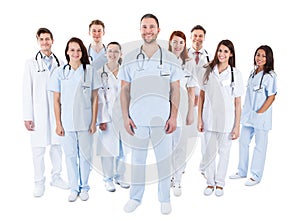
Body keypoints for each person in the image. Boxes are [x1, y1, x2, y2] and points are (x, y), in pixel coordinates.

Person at [119, 13, 184, 215]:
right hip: (137, 120)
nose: (148, 31)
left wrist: (173, 117)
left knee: (163, 162)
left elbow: (176, 90)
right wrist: (125, 118)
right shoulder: (130, 58)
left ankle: (164, 199)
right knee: (138, 162)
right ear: (140, 30)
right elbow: (124, 91)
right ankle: (135, 198)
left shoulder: (170, 58)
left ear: (158, 30)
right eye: (145, 27)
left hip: (162, 120)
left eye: (152, 27)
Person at [48, 37, 100, 202]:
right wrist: (58, 123)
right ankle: (73, 188)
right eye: (72, 50)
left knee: (85, 157)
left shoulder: (90, 71)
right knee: (70, 156)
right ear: (67, 52)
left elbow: (95, 98)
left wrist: (93, 122)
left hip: (85, 123)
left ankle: (84, 187)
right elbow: (56, 100)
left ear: (82, 52)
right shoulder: (59, 72)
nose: (75, 53)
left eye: (78, 50)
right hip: (67, 123)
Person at [22, 27, 69, 197]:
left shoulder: (62, 63)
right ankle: (38, 182)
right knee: (38, 149)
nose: (44, 42)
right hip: (39, 113)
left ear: (52, 41)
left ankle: (56, 177)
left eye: (47, 39)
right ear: (38, 41)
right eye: (41, 39)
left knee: (57, 146)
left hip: (57, 112)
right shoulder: (31, 64)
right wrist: (27, 116)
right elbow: (27, 91)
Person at [197, 39, 243, 197]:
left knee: (224, 153)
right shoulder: (208, 70)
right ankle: (210, 182)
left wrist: (237, 126)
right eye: (220, 51)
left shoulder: (235, 74)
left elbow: (237, 102)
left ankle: (220, 183)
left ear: (231, 54)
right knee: (209, 153)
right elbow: (201, 96)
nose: (222, 54)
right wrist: (199, 119)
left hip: (227, 122)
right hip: (209, 119)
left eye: (226, 51)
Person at [229, 45, 277, 186]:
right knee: (243, 141)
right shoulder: (252, 72)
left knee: (260, 146)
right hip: (248, 115)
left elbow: (272, 97)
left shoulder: (270, 76)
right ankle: (242, 171)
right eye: (258, 55)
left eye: (263, 56)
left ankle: (255, 175)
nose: (260, 58)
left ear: (268, 58)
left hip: (261, 118)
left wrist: (260, 112)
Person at [97, 42, 130, 192]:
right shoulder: (100, 73)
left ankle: (120, 177)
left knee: (124, 149)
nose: (113, 54)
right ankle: (108, 179)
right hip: (108, 117)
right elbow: (98, 98)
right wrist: (102, 119)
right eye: (110, 51)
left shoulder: (126, 71)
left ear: (120, 54)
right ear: (106, 53)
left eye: (116, 51)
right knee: (108, 150)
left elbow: (131, 94)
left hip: (124, 116)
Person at [168, 31, 197, 197]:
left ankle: (177, 179)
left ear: (185, 44)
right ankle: (169, 176)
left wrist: (191, 112)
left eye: (181, 42)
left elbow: (191, 89)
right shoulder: (163, 61)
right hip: (165, 109)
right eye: (174, 42)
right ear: (170, 43)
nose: (177, 45)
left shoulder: (189, 63)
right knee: (166, 147)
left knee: (180, 146)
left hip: (183, 108)